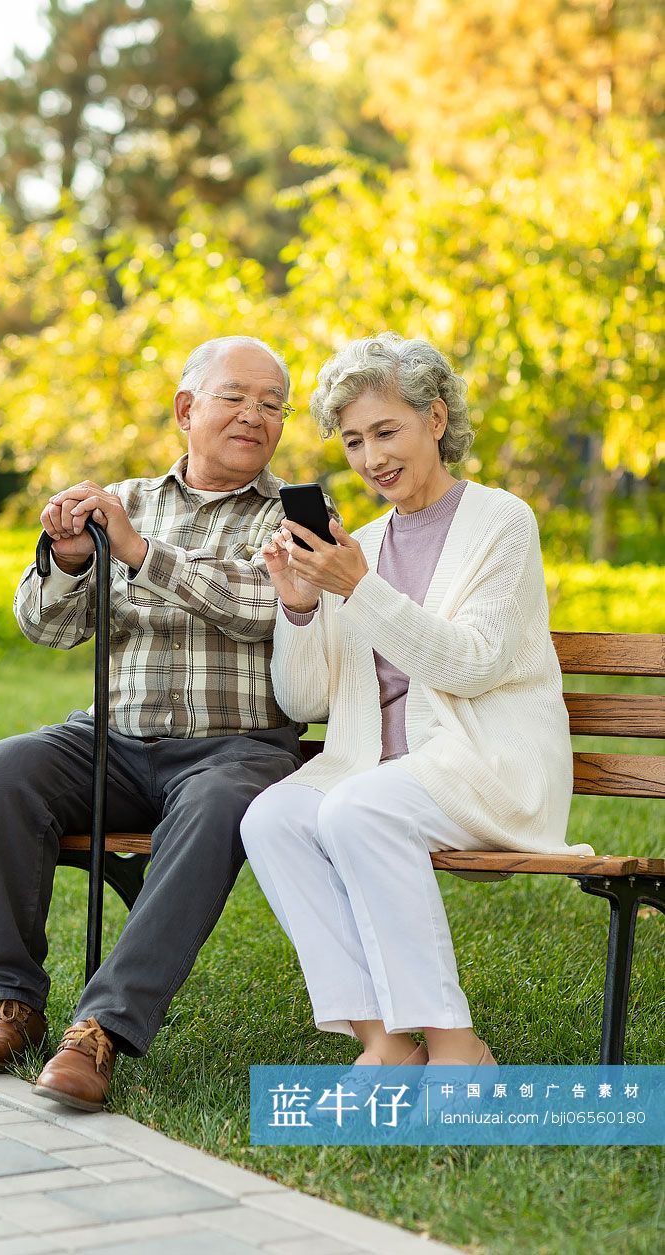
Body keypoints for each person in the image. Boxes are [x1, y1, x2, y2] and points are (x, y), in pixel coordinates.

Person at [0, 335, 308, 1111]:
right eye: (236, 396)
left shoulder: (295, 513)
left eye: (273, 404)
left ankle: (101, 1030)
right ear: (186, 408)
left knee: (219, 805)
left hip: (235, 748)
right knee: (7, 768)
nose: (256, 415)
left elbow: (261, 609)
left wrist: (140, 553)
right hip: (111, 741)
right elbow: (46, 628)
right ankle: (11, 1004)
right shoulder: (123, 498)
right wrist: (73, 557)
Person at [241, 331, 594, 1068]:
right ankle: (383, 1039)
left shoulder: (501, 521)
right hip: (374, 769)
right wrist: (300, 605)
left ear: (435, 420)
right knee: (272, 816)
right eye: (353, 441)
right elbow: (305, 697)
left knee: (356, 807)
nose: (372, 459)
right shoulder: (357, 542)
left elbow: (470, 663)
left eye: (386, 431)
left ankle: (457, 1043)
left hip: (483, 765)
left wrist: (356, 588)